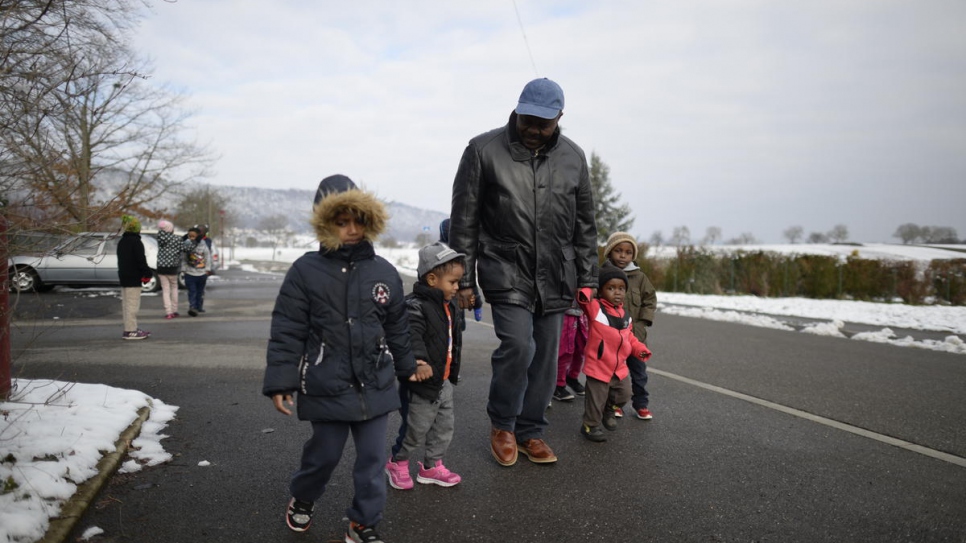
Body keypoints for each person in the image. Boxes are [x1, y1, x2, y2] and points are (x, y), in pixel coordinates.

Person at [263, 174, 431, 543]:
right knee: (323, 456)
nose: (351, 230)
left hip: (375, 382)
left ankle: (362, 523)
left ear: (368, 222)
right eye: (341, 222)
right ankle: (304, 496)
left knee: (372, 461)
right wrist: (280, 379)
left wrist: (408, 366)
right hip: (326, 382)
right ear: (325, 223)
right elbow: (287, 328)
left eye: (357, 221)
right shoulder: (305, 271)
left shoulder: (384, 272)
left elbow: (398, 328)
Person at [449, 77, 598, 466]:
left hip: (556, 273)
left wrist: (588, 280)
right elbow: (464, 220)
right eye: (527, 120)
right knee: (519, 345)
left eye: (543, 124)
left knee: (547, 355)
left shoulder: (574, 157)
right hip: (505, 266)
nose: (533, 130)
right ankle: (502, 424)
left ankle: (531, 430)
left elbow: (585, 225)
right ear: (516, 110)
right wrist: (464, 279)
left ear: (559, 118)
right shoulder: (482, 150)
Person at [386, 241, 466, 490]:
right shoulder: (415, 306)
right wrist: (418, 362)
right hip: (420, 382)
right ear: (432, 279)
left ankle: (431, 466)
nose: (457, 287)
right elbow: (412, 337)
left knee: (444, 427)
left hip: (442, 381)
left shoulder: (449, 304)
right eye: (452, 282)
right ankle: (397, 463)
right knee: (415, 428)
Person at [576, 263, 651, 442]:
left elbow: (630, 338)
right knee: (596, 400)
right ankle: (590, 425)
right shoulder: (596, 309)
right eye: (611, 288)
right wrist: (592, 288)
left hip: (619, 367)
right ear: (601, 291)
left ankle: (609, 409)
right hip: (599, 366)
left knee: (624, 394)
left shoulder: (625, 315)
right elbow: (582, 299)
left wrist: (639, 348)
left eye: (621, 288)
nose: (617, 292)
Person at [602, 232, 658, 420]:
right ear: (610, 252)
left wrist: (642, 323)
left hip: (635, 336)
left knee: (639, 372)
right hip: (611, 337)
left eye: (627, 252)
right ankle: (614, 404)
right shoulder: (603, 275)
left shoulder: (640, 277)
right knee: (613, 373)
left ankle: (641, 404)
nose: (623, 256)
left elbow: (650, 299)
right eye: (618, 251)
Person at [116, 215, 152, 340]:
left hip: (124, 277)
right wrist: (147, 273)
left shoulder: (122, 241)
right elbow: (140, 260)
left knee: (126, 305)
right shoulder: (136, 242)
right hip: (134, 278)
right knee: (132, 305)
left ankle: (129, 328)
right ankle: (131, 331)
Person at [552, 299, 588, 402]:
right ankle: (558, 384)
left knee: (581, 348)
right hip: (564, 311)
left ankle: (572, 377)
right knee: (565, 350)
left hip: (582, 311)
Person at [155, 220, 182, 319]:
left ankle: (168, 312)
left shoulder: (159, 238)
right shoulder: (177, 239)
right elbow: (182, 250)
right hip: (172, 267)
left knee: (165, 290)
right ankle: (175, 310)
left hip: (161, 267)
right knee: (174, 287)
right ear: (171, 229)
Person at [183, 226, 211, 317]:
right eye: (189, 236)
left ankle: (199, 306)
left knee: (200, 291)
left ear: (198, 236)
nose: (191, 238)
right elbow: (183, 258)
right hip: (190, 273)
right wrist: (184, 269)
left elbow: (208, 257)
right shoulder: (186, 245)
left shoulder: (203, 245)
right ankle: (192, 307)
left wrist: (207, 269)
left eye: (193, 236)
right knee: (192, 291)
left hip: (201, 273)